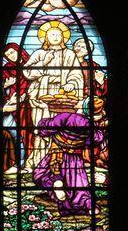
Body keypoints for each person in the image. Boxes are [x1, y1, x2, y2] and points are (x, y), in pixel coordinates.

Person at [22, 21, 84, 171]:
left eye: (58, 34)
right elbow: (27, 72)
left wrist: (71, 83)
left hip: (63, 97)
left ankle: (61, 164)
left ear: (63, 37)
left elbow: (77, 74)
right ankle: (39, 162)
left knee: (62, 130)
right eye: (52, 34)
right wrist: (44, 62)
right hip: (41, 95)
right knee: (41, 129)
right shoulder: (39, 54)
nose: (55, 37)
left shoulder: (70, 54)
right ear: (45, 38)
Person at [33, 97, 105, 215]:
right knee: (79, 186)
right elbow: (95, 139)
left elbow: (47, 128)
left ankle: (55, 183)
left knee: (39, 174)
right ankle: (90, 206)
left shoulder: (66, 117)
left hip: (56, 155)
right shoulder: (91, 128)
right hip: (75, 160)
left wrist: (42, 123)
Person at [2, 43, 33, 174]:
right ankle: (18, 163)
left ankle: (28, 162)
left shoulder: (31, 65)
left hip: (29, 106)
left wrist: (28, 94)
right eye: (8, 55)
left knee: (28, 134)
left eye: (12, 52)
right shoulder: (6, 68)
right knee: (17, 135)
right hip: (12, 107)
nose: (11, 56)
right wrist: (5, 85)